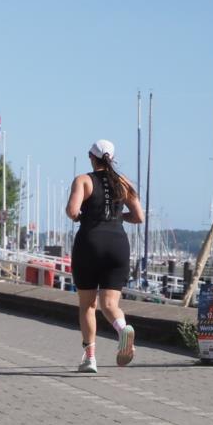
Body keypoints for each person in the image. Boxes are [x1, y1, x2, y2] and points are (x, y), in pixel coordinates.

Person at [65, 139, 144, 373]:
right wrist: (119, 218)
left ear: (91, 157)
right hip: (118, 244)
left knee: (88, 305)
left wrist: (82, 216)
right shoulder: (124, 182)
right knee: (110, 304)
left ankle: (90, 358)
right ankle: (122, 330)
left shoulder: (83, 180)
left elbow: (72, 211)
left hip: (90, 243)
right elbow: (139, 217)